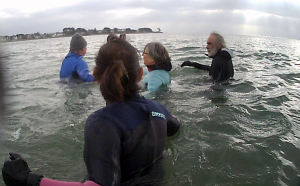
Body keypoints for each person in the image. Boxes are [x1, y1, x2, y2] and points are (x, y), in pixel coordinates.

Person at [2, 34, 181, 186]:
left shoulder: (102, 123)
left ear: (95, 75)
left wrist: (29, 179)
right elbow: (175, 126)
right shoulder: (159, 110)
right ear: (141, 75)